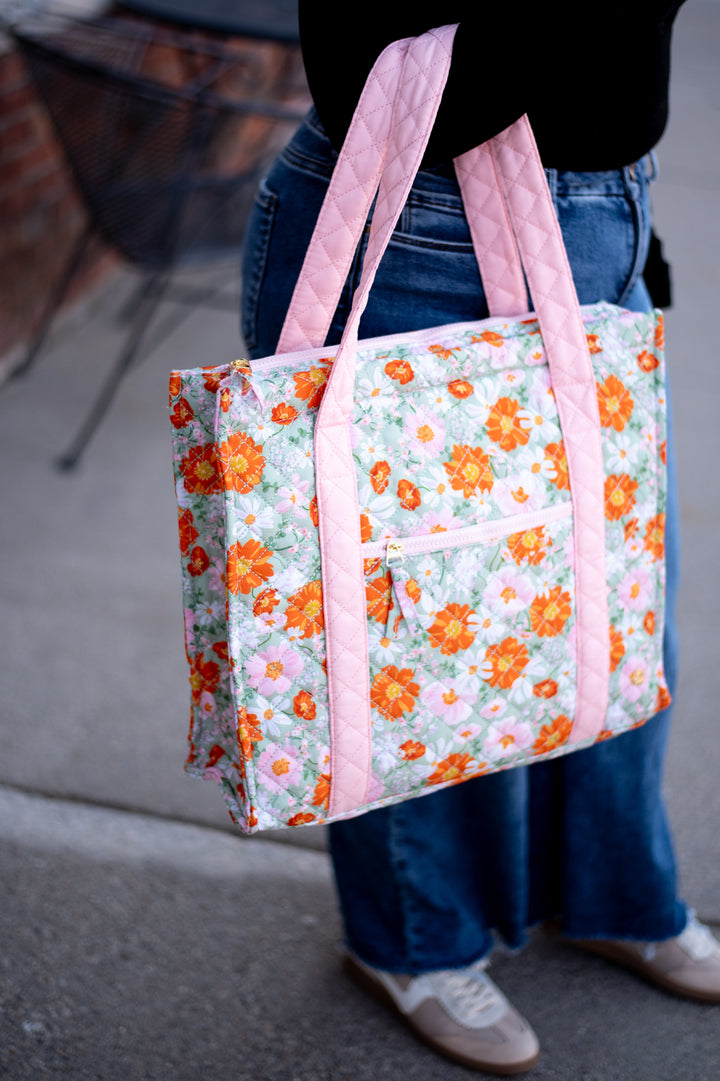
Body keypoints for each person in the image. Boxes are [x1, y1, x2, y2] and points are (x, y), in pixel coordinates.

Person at [240, 3, 720, 1073]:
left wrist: (623, 228)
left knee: (616, 613)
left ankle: (614, 896)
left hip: (601, 220)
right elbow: (382, 53)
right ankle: (415, 938)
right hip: (417, 221)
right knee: (415, 645)